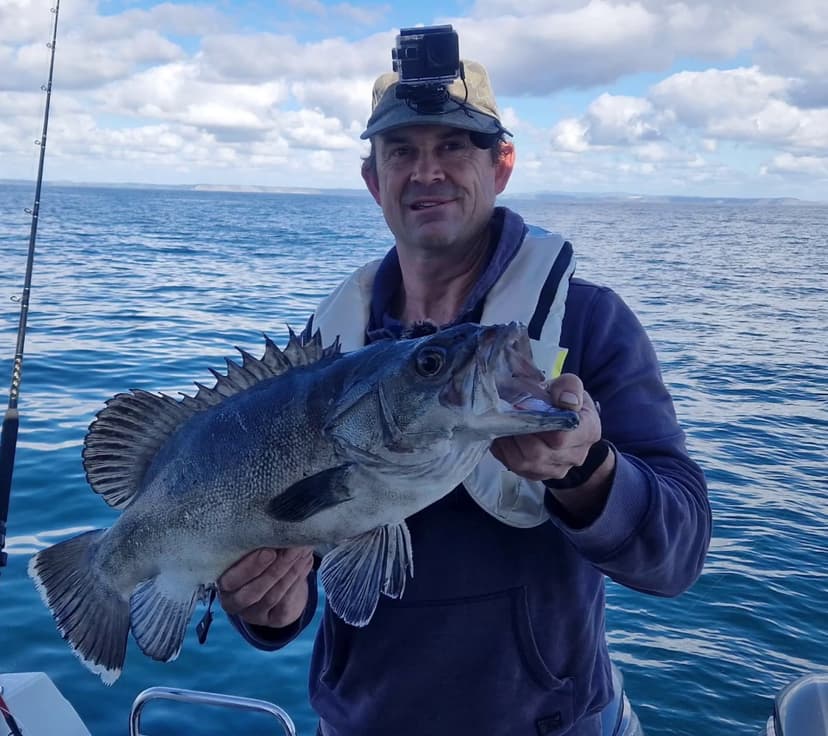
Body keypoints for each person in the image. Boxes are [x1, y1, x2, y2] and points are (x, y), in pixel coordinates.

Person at [218, 44, 711, 736]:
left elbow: (677, 555)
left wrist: (588, 472)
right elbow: (295, 554)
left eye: (454, 145)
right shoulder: (330, 348)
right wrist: (270, 607)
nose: (427, 171)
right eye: (400, 151)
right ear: (372, 179)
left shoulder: (590, 324)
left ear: (501, 165)